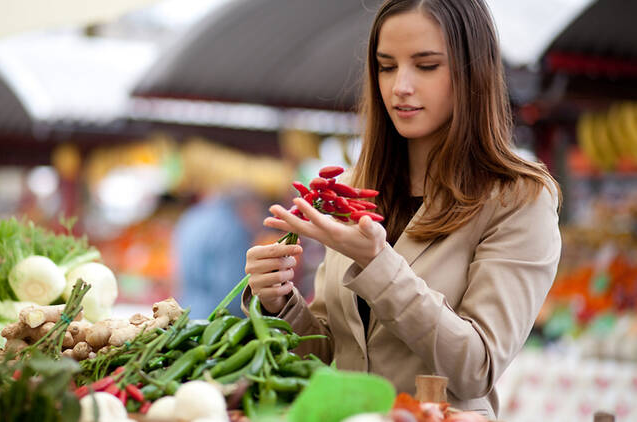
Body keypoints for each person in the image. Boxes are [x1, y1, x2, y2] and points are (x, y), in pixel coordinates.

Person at [242, 0, 561, 418]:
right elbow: (327, 352)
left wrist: (378, 264)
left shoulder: (518, 199)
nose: (399, 87)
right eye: (386, 66)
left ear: (472, 72)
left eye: (426, 66)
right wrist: (279, 302)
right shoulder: (357, 189)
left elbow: (476, 368)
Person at [173, 188, 263, 318]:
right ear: (246, 206)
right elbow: (233, 291)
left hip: (187, 311)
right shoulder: (232, 228)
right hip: (217, 321)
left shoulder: (191, 217)